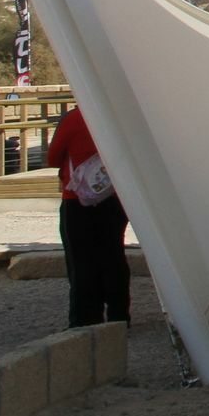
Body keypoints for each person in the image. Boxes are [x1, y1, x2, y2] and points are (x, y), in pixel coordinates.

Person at [47, 106, 130, 326]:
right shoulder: (117, 117)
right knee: (113, 254)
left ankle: (85, 317)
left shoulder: (74, 119)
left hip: (77, 198)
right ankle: (119, 314)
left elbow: (53, 157)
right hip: (113, 195)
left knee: (81, 259)